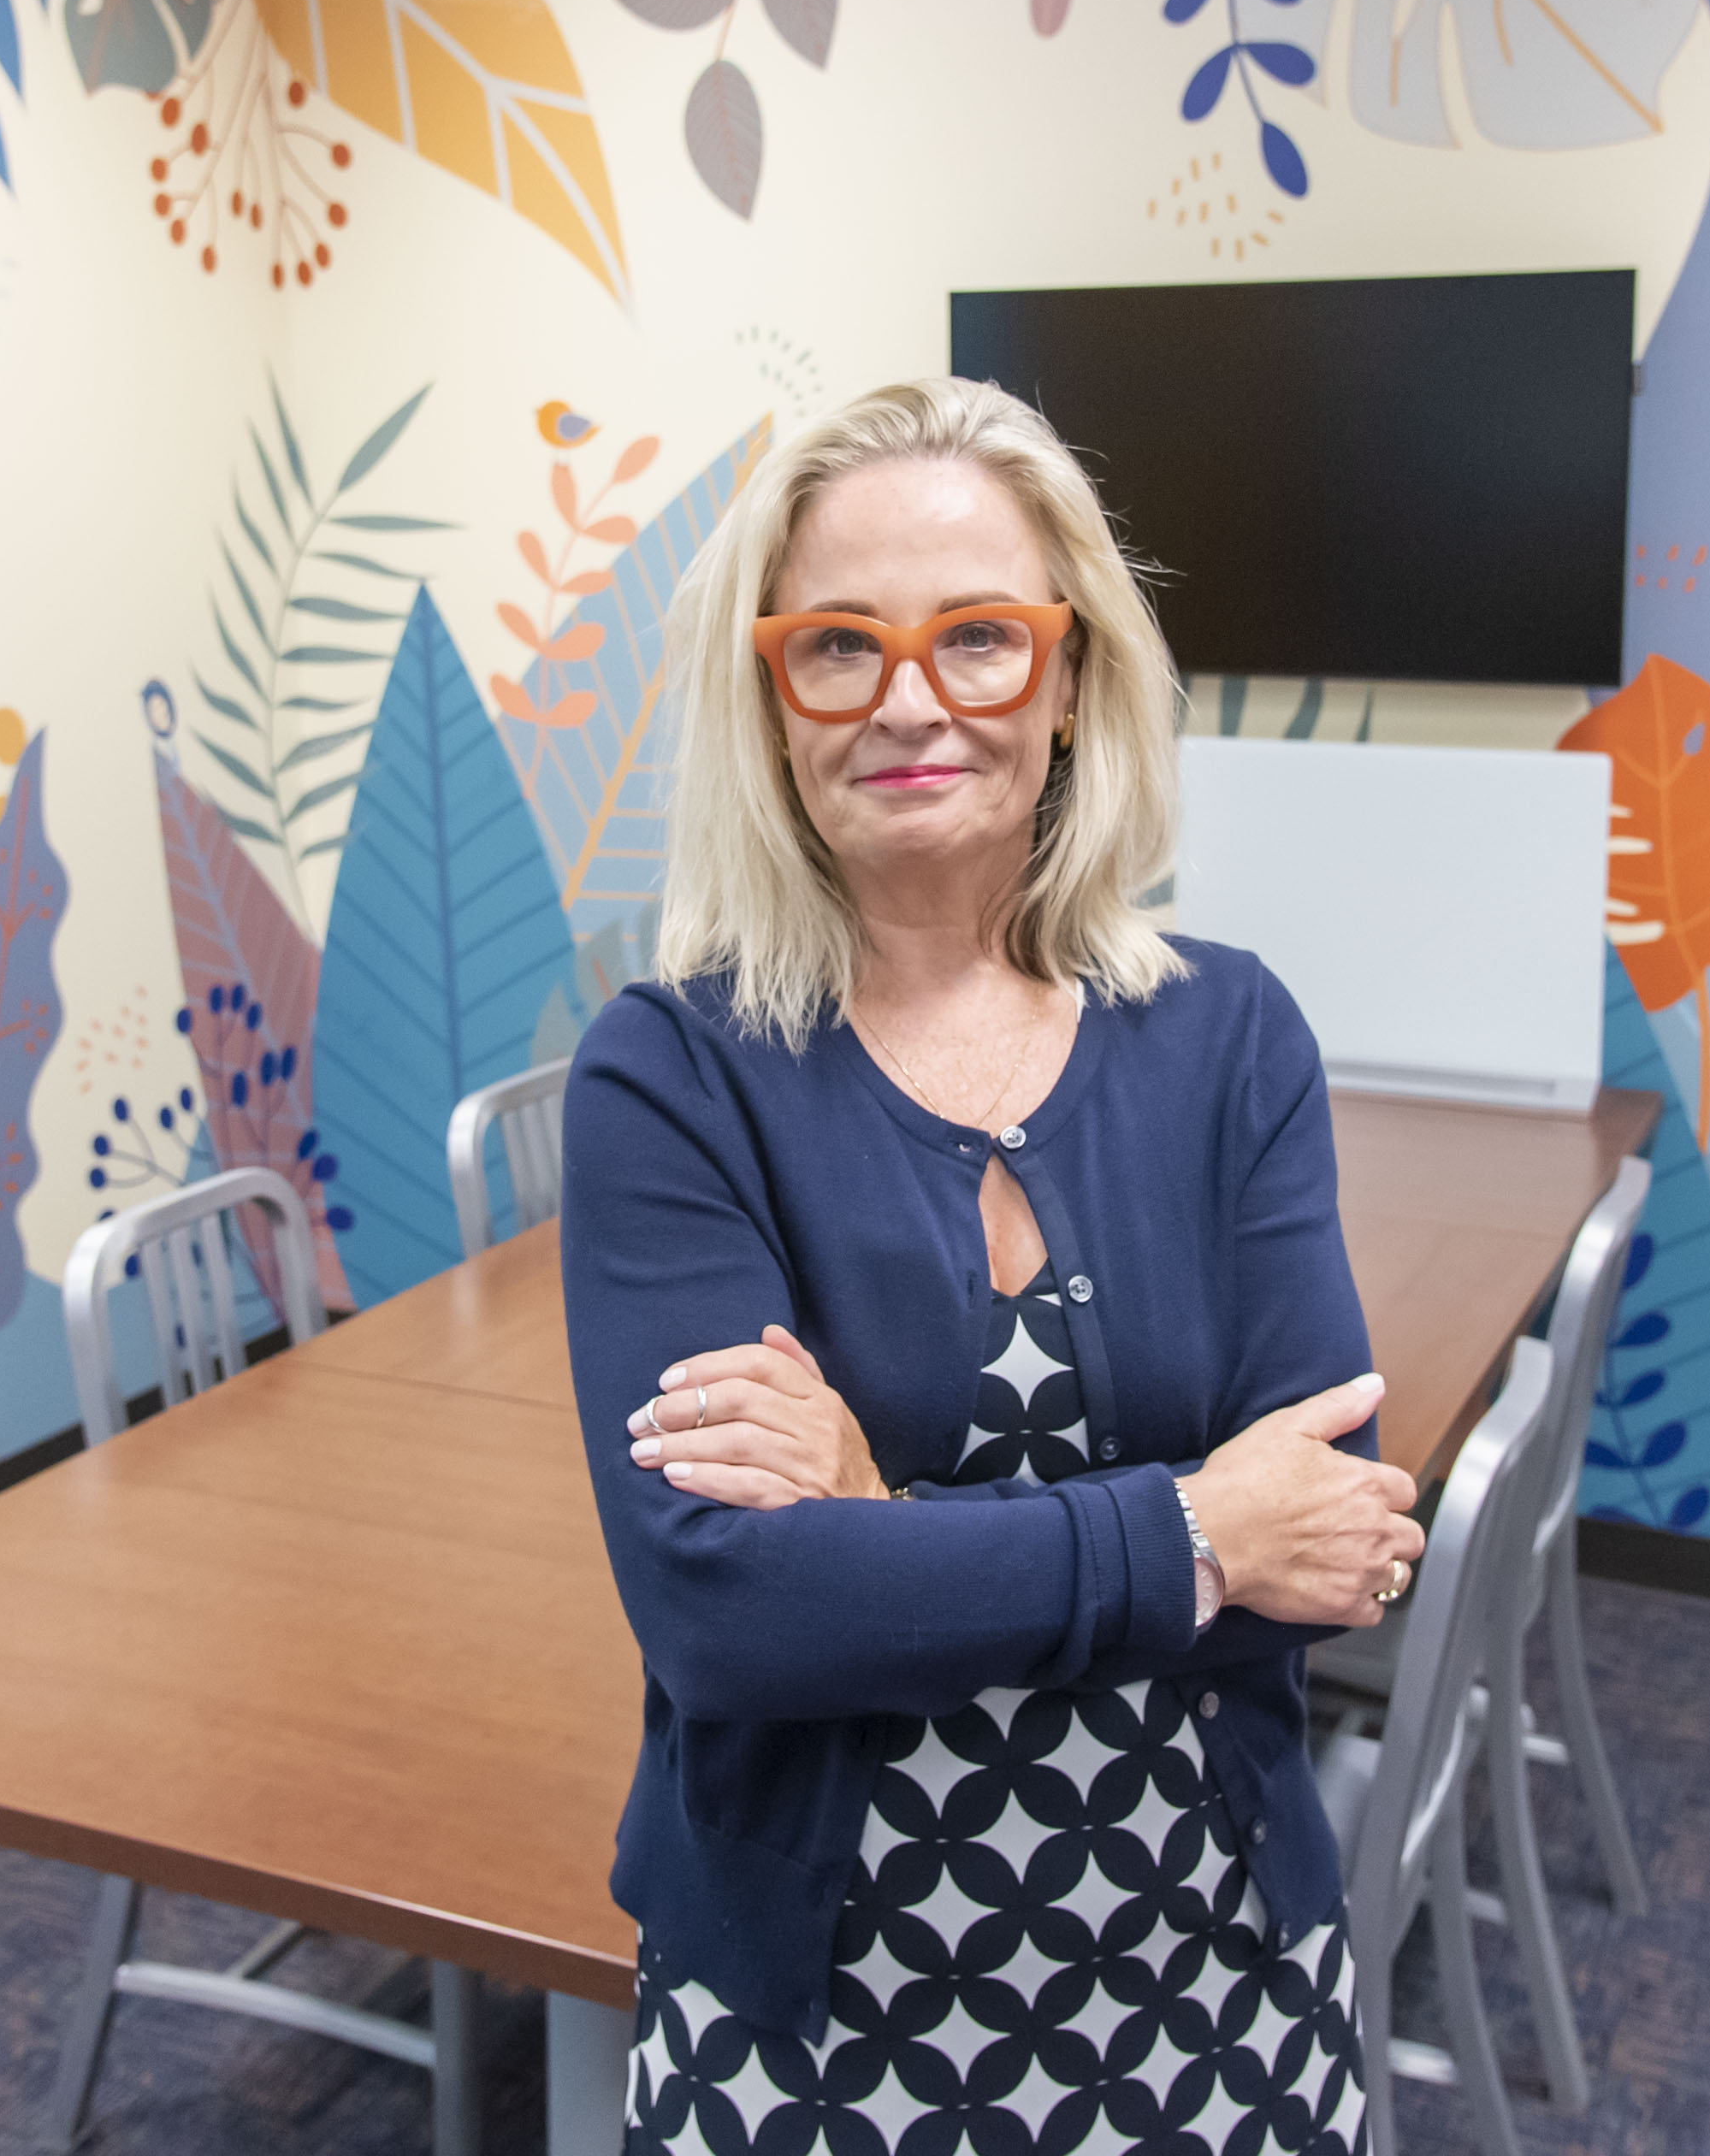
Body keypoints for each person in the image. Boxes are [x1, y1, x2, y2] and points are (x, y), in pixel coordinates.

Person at [559, 375, 1423, 2156]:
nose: (911, 703)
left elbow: (1327, 1540)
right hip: (816, 2024)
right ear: (768, 697)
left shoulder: (1229, 1038)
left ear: (1074, 673)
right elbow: (732, 1616)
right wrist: (1190, 1531)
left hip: (1214, 1975)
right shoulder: (674, 1073)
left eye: (977, 638)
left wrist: (880, 1512)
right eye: (838, 650)